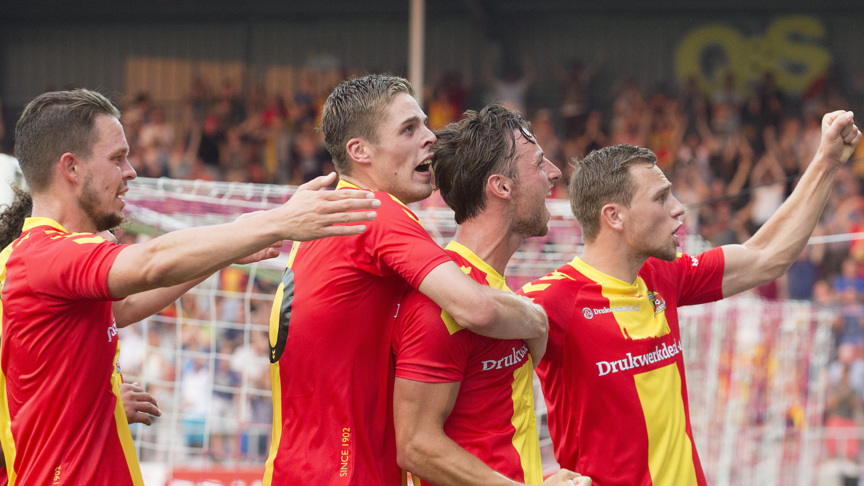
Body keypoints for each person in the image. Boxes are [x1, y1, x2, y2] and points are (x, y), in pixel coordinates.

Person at [0, 88, 379, 485]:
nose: (131, 171)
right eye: (117, 158)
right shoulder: (43, 255)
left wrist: (229, 246)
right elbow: (151, 263)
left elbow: (124, 307)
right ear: (72, 168)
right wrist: (278, 221)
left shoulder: (48, 261)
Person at [519, 111, 861, 486]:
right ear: (614, 216)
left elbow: (767, 257)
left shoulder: (664, 273)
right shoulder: (548, 300)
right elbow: (478, 405)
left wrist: (826, 162)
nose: (678, 208)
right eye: (661, 197)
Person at [265, 75, 548, 485]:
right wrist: (537, 320)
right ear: (360, 151)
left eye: (425, 124)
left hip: (295, 468)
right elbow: (474, 307)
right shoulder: (373, 211)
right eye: (409, 129)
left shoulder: (325, 220)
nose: (430, 137)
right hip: (346, 476)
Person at [391, 105, 589, 486]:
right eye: (539, 163)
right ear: (502, 187)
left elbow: (488, 436)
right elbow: (416, 446)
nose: (554, 173)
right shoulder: (441, 303)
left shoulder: (490, 288)